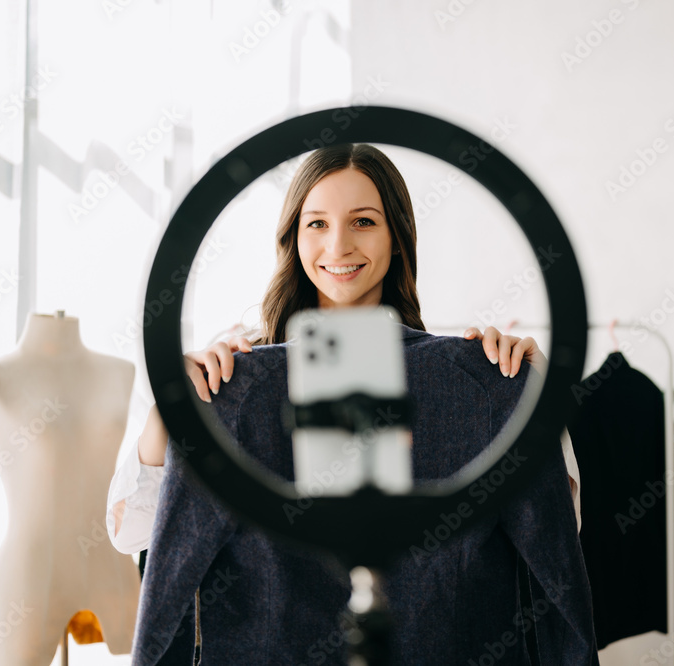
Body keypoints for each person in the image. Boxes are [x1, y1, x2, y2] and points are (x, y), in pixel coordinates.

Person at [105, 144, 581, 556]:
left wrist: (535, 398)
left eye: (363, 222)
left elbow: (560, 524)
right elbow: (134, 532)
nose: (338, 245)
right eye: (317, 224)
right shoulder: (233, 368)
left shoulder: (469, 375)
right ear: (294, 236)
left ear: (396, 238)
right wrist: (169, 413)